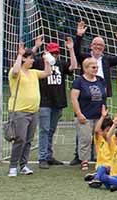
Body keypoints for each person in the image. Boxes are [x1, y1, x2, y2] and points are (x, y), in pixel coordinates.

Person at [33, 38, 78, 169]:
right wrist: (36, 47)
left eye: (57, 53)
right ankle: (42, 157)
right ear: (47, 52)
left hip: (57, 101)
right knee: (44, 130)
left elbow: (73, 66)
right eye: (52, 53)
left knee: (51, 130)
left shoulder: (61, 64)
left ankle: (48, 155)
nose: (55, 55)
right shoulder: (40, 63)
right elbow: (27, 60)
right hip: (44, 102)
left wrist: (70, 49)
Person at [7, 44, 51, 177]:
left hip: (33, 111)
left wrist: (47, 61)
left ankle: (23, 165)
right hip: (20, 111)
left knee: (28, 140)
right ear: (24, 59)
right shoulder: (16, 72)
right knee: (20, 138)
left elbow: (46, 73)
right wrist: (19, 54)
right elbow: (15, 72)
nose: (32, 61)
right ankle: (13, 166)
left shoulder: (33, 73)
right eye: (30, 58)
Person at [70, 58, 107, 171]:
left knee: (99, 138)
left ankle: (99, 158)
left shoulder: (100, 80)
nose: (96, 69)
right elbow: (74, 99)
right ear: (85, 68)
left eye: (96, 67)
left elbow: (104, 96)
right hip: (85, 115)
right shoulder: (79, 81)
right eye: (93, 67)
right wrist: (79, 113)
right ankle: (84, 160)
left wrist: (104, 114)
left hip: (99, 115)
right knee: (85, 139)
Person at [74, 20, 117, 98]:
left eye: (100, 45)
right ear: (91, 46)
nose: (98, 47)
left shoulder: (106, 60)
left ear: (103, 48)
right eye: (95, 44)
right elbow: (76, 51)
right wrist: (79, 36)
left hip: (102, 91)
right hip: (87, 91)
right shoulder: (85, 58)